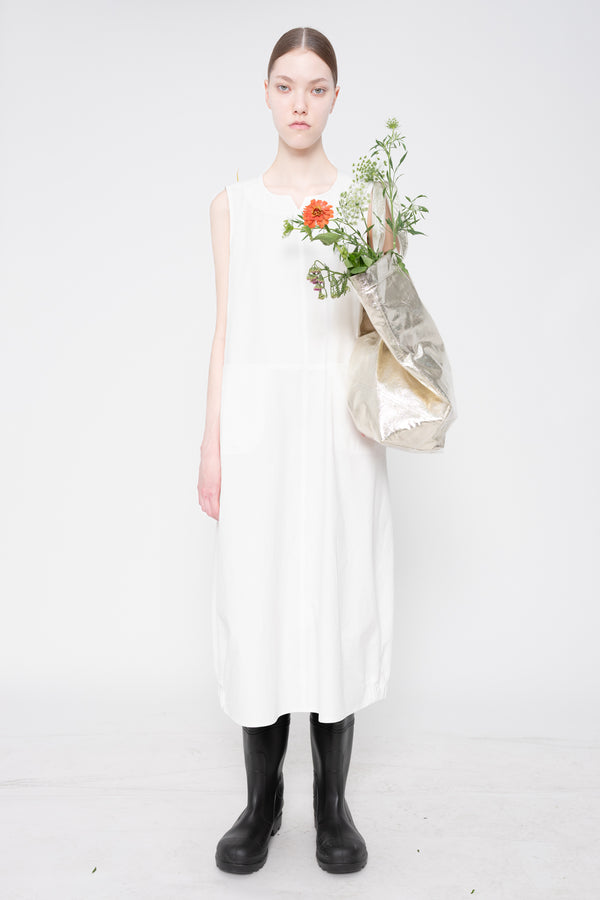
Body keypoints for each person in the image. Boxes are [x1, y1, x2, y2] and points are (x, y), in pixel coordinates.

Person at [197, 26, 399, 875]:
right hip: (257, 425)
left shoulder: (367, 201)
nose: (300, 104)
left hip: (338, 426)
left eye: (316, 88)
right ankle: (260, 801)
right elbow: (226, 328)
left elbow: (387, 328)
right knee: (261, 594)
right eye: (286, 86)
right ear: (266, 92)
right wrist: (211, 444)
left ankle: (331, 805)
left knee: (334, 594)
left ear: (336, 98)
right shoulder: (233, 205)